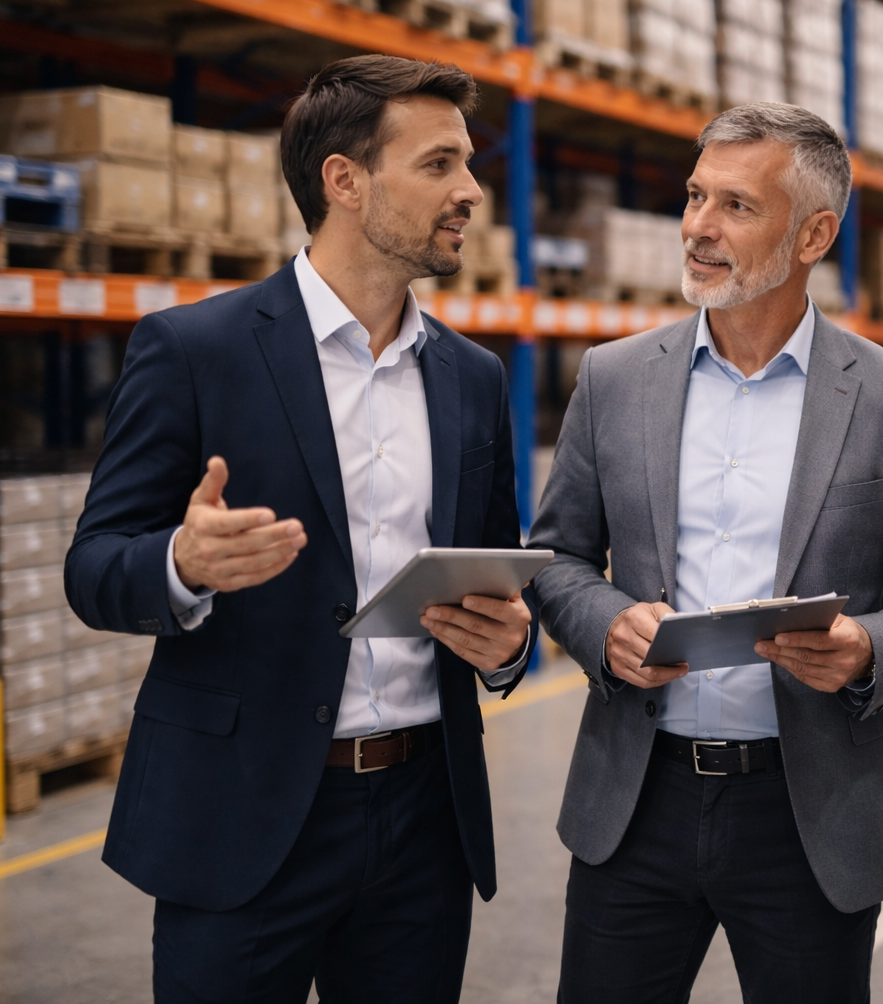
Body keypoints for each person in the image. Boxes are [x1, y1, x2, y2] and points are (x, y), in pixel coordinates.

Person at [64, 55, 537, 1002]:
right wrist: (181, 564)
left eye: (468, 164)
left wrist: (507, 650)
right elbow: (93, 568)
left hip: (422, 818)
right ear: (344, 181)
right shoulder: (194, 350)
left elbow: (493, 572)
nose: (472, 191)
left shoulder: (473, 378)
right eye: (439, 164)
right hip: (241, 813)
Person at [528, 102, 883, 1003]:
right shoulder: (614, 379)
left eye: (736, 205)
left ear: (814, 234)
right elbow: (557, 559)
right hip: (638, 801)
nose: (698, 226)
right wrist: (607, 626)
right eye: (695, 196)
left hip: (811, 813)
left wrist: (866, 649)